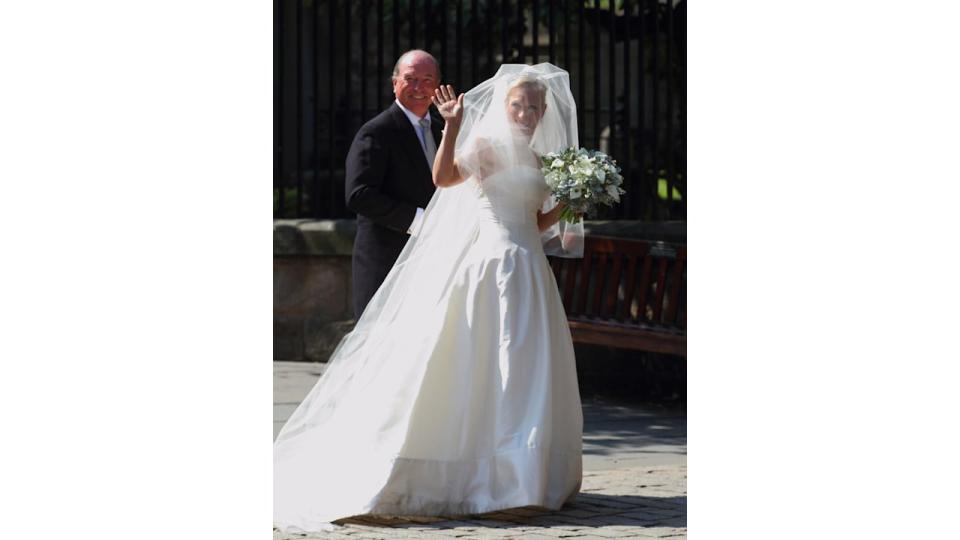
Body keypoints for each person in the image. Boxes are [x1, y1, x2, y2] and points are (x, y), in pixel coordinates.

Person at [274, 63, 584, 532]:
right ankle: (484, 473)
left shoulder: (542, 163)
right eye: (519, 104)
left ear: (543, 114)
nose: (526, 113)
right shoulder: (485, 147)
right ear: (506, 106)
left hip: (531, 271)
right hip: (492, 265)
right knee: (488, 361)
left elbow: (537, 224)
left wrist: (569, 197)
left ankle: (528, 477)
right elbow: (443, 179)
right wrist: (454, 125)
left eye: (534, 107)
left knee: (527, 365)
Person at [345, 49, 444, 318]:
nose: (419, 88)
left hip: (432, 263)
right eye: (410, 79)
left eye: (427, 80)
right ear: (394, 83)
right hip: (386, 261)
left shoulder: (443, 128)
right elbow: (359, 194)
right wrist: (419, 220)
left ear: (437, 86)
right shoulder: (376, 131)